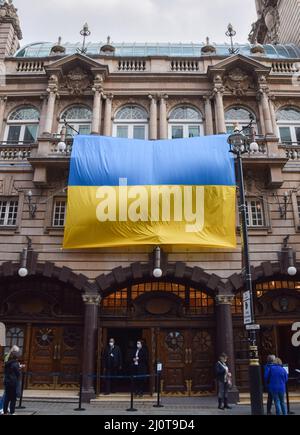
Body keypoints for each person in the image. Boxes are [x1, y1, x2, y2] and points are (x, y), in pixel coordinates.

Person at [0, 345, 20, 414]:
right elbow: (18, 373)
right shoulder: (15, 363)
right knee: (13, 398)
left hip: (7, 381)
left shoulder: (8, 362)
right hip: (13, 382)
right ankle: (12, 412)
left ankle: (5, 411)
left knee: (7, 397)